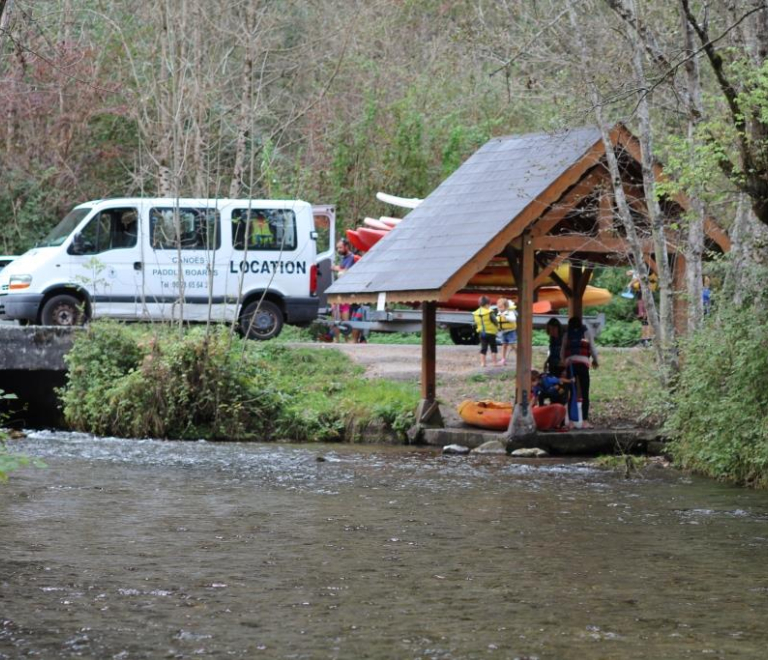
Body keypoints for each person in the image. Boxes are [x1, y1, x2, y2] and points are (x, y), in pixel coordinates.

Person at [561, 316, 599, 429]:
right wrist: (595, 360)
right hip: (583, 364)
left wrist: (564, 363)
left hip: (571, 365)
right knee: (585, 392)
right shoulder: (586, 333)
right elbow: (592, 347)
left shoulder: (567, 335)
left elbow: (562, 351)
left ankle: (571, 422)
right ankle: (584, 421)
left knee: (571, 393)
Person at [331, 239, 360, 343]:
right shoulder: (344, 258)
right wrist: (336, 267)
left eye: (340, 247)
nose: (338, 250)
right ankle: (337, 339)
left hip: (348, 293)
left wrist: (336, 269)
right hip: (341, 292)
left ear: (346, 247)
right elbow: (342, 267)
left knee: (347, 318)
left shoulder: (352, 258)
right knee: (336, 316)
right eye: (337, 248)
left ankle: (348, 339)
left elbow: (345, 271)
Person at [472, 295, 499, 367]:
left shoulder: (476, 313)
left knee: (483, 348)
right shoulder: (489, 312)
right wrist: (497, 326)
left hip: (482, 333)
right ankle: (494, 363)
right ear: (487, 304)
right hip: (491, 333)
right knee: (493, 347)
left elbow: (474, 323)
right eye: (489, 304)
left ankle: (483, 363)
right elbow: (495, 321)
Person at [496, 297, 517, 366]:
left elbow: (513, 319)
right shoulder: (499, 313)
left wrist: (505, 317)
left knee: (513, 345)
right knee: (504, 345)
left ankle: (519, 358)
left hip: (511, 331)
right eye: (498, 307)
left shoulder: (509, 312)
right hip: (503, 332)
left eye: (501, 307)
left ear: (506, 307)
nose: (499, 309)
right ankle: (503, 359)